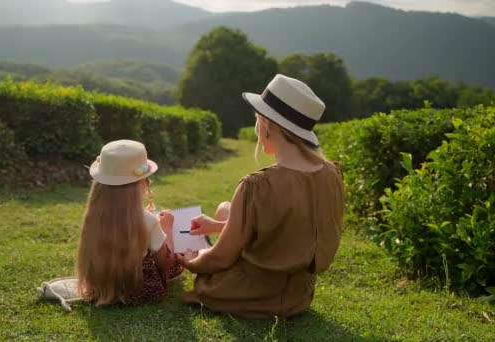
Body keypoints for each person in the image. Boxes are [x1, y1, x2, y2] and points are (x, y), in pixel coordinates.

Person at [177, 75, 345, 319]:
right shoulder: (332, 175)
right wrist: (219, 226)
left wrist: (192, 261)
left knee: (209, 272)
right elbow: (293, 228)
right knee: (226, 209)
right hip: (298, 297)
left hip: (249, 297)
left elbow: (220, 259)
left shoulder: (256, 185)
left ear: (266, 123)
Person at [77, 140, 182, 306]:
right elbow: (165, 261)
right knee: (175, 262)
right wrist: (167, 226)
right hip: (139, 290)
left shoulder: (93, 217)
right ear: (143, 183)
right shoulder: (148, 220)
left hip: (101, 287)